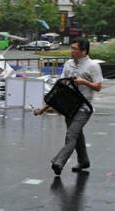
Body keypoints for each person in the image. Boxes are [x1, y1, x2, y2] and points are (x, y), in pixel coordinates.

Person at [34, 37, 102, 175]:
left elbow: (98, 87)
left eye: (75, 49)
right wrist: (43, 108)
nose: (71, 51)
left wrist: (84, 82)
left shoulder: (93, 66)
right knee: (77, 135)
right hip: (69, 107)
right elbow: (61, 87)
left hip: (84, 108)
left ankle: (58, 162)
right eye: (71, 48)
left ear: (84, 51)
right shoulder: (68, 64)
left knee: (71, 135)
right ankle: (84, 161)